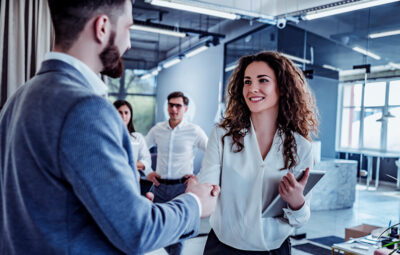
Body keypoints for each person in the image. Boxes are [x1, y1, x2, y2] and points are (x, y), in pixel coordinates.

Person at [0, 0, 220, 254]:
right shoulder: (85, 109)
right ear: (102, 27)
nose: (129, 43)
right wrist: (195, 203)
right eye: (128, 27)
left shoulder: (17, 98)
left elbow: (52, 208)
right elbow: (138, 231)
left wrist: (125, 204)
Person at [197, 51, 319, 254]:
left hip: (274, 249)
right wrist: (196, 196)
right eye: (247, 81)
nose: (252, 88)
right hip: (223, 248)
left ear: (282, 87)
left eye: (263, 80)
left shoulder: (301, 147)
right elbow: (208, 190)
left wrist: (297, 202)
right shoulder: (222, 135)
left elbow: (301, 219)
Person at [145, 91, 208, 255]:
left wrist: (198, 177)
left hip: (182, 189)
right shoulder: (157, 129)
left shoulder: (194, 130)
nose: (174, 109)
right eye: (171, 105)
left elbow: (212, 153)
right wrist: (148, 171)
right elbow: (141, 150)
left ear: (185, 108)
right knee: (157, 229)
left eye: (178, 105)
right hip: (159, 188)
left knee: (180, 234)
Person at [113, 99, 152, 175]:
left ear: (130, 115)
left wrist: (131, 163)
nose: (123, 116)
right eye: (120, 112)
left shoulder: (138, 137)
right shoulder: (108, 136)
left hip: (131, 178)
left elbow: (147, 161)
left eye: (126, 113)